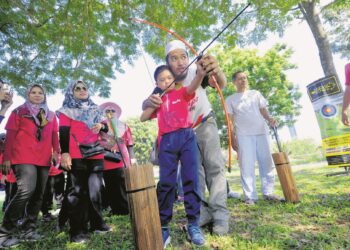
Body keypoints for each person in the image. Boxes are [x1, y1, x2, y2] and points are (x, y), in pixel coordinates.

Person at [143, 40, 230, 235]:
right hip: (184, 135)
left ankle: (221, 216)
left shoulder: (196, 71)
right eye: (174, 58)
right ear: (167, 63)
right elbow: (146, 106)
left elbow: (221, 84)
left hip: (205, 123)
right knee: (194, 175)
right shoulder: (164, 81)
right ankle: (201, 214)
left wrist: (217, 70)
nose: (181, 62)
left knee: (215, 167)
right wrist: (148, 101)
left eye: (183, 56)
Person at [141, 64, 206, 247]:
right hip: (166, 142)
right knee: (167, 183)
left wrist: (200, 74)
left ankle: (193, 223)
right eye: (162, 79)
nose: (166, 81)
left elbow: (193, 85)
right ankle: (163, 225)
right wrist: (152, 101)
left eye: (169, 78)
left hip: (186, 137)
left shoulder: (182, 92)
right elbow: (142, 118)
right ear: (157, 83)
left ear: (174, 80)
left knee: (190, 179)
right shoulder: (158, 100)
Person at [0, 84, 59, 248]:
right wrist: (6, 158)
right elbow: (10, 136)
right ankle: (4, 232)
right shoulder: (19, 111)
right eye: (33, 92)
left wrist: (56, 152)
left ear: (45, 95)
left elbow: (54, 135)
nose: (37, 95)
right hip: (22, 157)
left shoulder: (50, 115)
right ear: (28, 94)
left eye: (40, 93)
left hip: (44, 158)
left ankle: (29, 229)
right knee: (26, 190)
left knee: (39, 194)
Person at [57, 80, 111, 243]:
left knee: (95, 190)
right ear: (71, 92)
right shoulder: (67, 110)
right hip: (76, 154)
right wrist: (65, 153)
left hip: (95, 153)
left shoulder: (96, 109)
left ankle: (96, 223)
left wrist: (100, 127)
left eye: (84, 88)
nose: (81, 91)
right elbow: (63, 132)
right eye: (77, 89)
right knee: (77, 192)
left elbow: (106, 128)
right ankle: (77, 231)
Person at [225, 71, 280, 205]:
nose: (242, 80)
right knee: (246, 164)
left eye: (244, 78)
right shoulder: (230, 99)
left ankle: (268, 192)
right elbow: (230, 121)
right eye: (239, 79)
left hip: (262, 132)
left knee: (267, 162)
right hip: (243, 135)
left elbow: (263, 110)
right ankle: (250, 196)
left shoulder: (255, 94)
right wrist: (232, 138)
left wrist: (270, 119)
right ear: (234, 82)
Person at [99, 102, 136, 215]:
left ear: (116, 112)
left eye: (112, 111)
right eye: (107, 111)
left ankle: (125, 209)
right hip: (107, 158)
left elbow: (129, 143)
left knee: (122, 184)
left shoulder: (123, 126)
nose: (110, 113)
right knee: (110, 185)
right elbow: (97, 141)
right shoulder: (100, 125)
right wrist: (109, 144)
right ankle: (114, 209)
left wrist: (132, 159)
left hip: (122, 158)